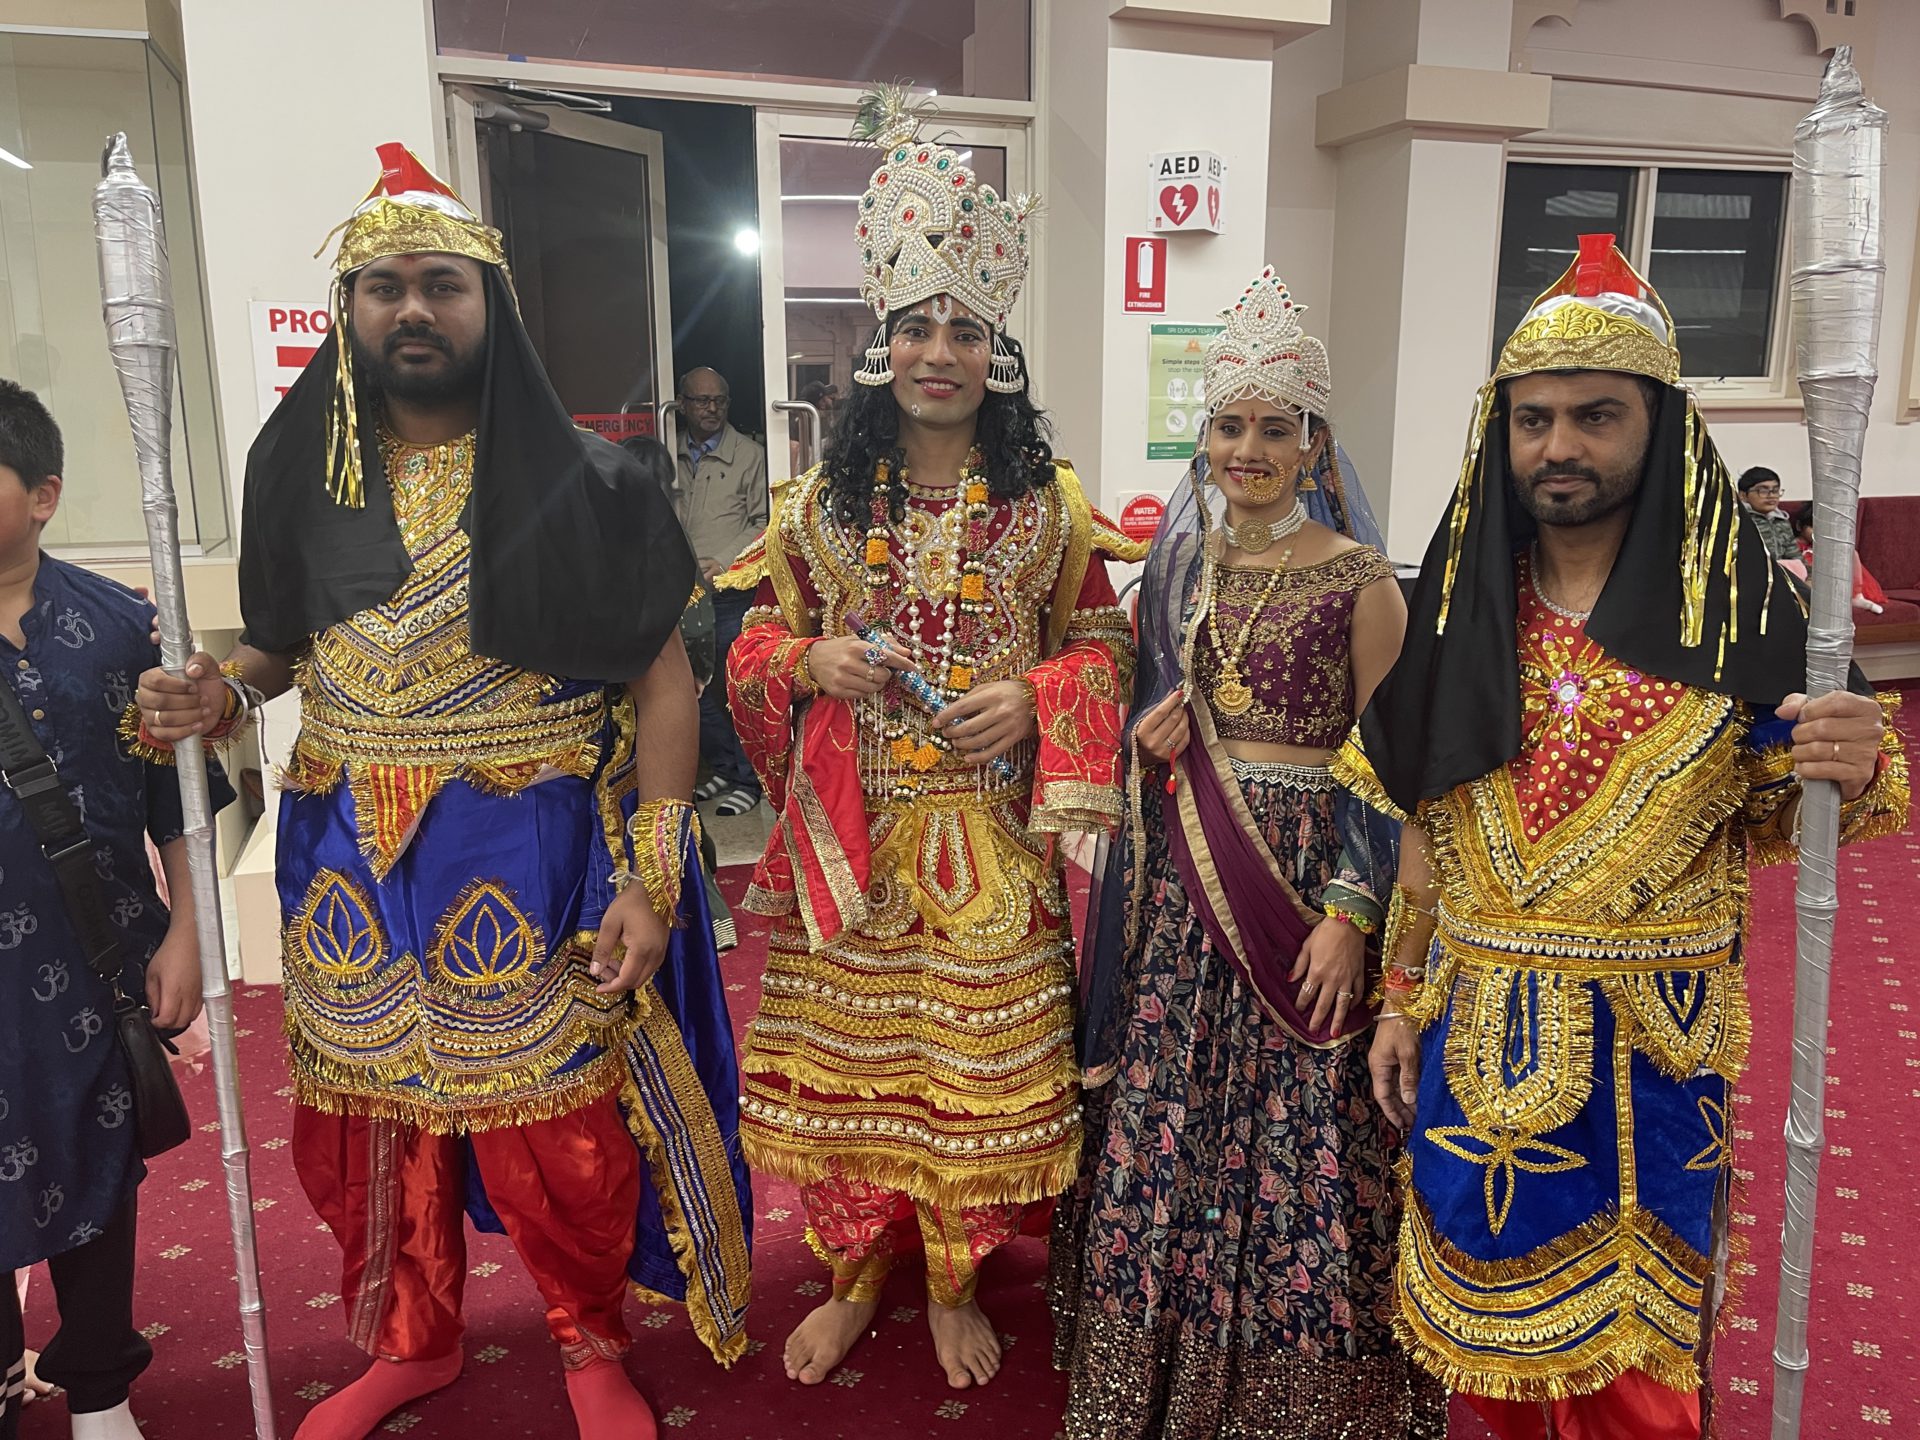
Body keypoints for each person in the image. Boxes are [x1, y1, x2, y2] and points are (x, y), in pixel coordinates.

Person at [135, 146, 751, 1440]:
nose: (411, 309)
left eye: (441, 286)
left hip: (521, 844)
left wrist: (651, 873)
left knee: (559, 1129)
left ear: (491, 305)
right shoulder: (301, 470)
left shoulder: (592, 479)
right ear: (350, 311)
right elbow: (274, 651)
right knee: (367, 1125)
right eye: (382, 287)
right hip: (346, 848)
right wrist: (223, 699)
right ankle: (411, 1338)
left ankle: (588, 1342)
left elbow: (664, 690)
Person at [1340, 234, 1909, 1440]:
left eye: (1596, 416)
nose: (1560, 446)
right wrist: (1398, 993)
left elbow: (1806, 811)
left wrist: (1849, 761)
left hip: (1650, 1063)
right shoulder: (1459, 608)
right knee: (1484, 1360)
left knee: (1634, 1381)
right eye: (1534, 419)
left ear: (1657, 426)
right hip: (1471, 1032)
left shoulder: (1750, 618)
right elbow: (1426, 825)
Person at [718, 85, 1138, 1392]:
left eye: (965, 328)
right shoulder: (811, 508)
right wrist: (809, 658)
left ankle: (952, 1275)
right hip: (850, 846)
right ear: (881, 346)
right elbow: (742, 653)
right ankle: (854, 1273)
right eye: (917, 328)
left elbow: (1114, 651)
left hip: (993, 843)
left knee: (967, 1072)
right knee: (855, 1073)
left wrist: (1041, 695)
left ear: (995, 351)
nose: (940, 351)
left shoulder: (1051, 505)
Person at [1051, 268, 1446, 1439]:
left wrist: (1350, 912)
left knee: (1301, 1119)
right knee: (1174, 1104)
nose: (1250, 449)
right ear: (1204, 435)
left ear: (1316, 440)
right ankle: (1159, 1370)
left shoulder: (1362, 580)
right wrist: (1149, 743)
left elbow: (1399, 773)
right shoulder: (1176, 568)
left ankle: (1300, 1392)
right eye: (1230, 425)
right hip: (1186, 888)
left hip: (1303, 887)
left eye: (1277, 427)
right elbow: (1138, 719)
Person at [0, 379, 232, 1440]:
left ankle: (98, 1388)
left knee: (96, 1163)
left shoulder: (116, 627)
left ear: (43, 493)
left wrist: (191, 930)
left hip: (93, 959)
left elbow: (176, 803)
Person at [674, 367, 769, 818]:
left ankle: (749, 780)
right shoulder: (668, 453)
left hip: (730, 591)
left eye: (720, 401)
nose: (711, 409)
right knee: (692, 688)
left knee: (734, 689)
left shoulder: (749, 455)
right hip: (678, 591)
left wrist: (726, 561)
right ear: (682, 405)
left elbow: (763, 521)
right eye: (701, 401)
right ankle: (728, 768)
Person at [1736, 466, 1798, 559]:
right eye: (1763, 491)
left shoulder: (1782, 521)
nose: (1772, 495)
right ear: (1743, 495)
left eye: (1775, 490)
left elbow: (1794, 557)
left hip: (1783, 571)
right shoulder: (1738, 521)